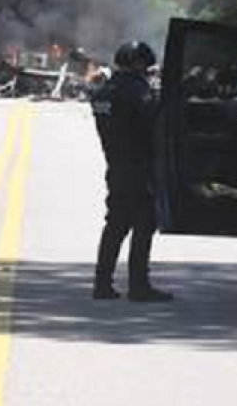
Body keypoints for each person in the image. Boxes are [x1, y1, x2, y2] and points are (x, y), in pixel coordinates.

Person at [91, 41, 173, 302]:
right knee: (143, 226)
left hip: (116, 166)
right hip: (139, 167)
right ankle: (139, 286)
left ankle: (102, 284)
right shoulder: (136, 90)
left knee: (115, 225)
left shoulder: (104, 91)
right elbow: (153, 119)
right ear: (137, 63)